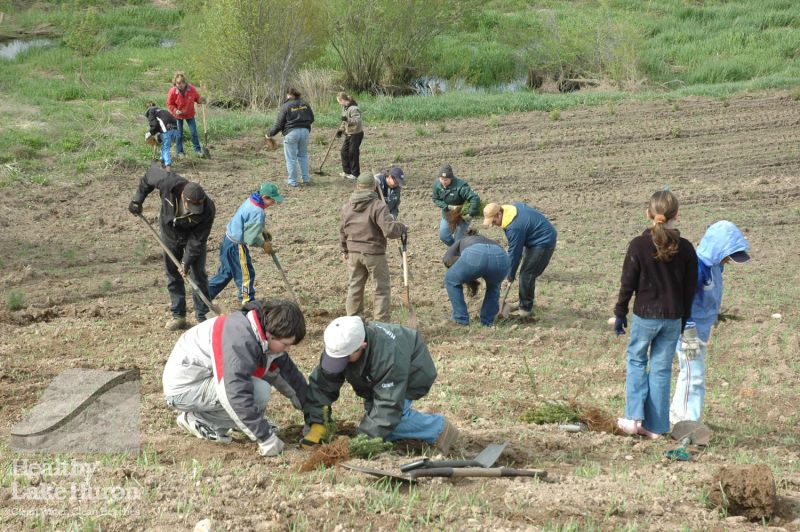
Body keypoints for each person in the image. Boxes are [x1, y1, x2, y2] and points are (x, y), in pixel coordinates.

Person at [162, 299, 308, 457]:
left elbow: (289, 377)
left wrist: (313, 413)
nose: (287, 349)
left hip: (206, 378)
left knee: (255, 389)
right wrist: (265, 437)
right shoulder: (240, 341)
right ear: (270, 334)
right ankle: (200, 420)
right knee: (259, 391)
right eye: (285, 344)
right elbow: (233, 392)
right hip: (184, 388)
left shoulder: (261, 331)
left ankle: (236, 422)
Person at [300, 316, 459, 452]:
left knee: (388, 426)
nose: (339, 363)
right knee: (377, 421)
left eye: (344, 359)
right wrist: (317, 424)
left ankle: (438, 428)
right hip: (375, 379)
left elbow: (387, 407)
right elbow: (321, 386)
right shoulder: (339, 344)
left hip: (412, 372)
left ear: (362, 346)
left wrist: (359, 442)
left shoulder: (387, 357)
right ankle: (410, 417)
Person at [613, 190, 697, 439]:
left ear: (648, 214)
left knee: (637, 361)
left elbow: (627, 283)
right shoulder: (687, 248)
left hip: (645, 316)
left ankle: (633, 419)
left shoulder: (638, 245)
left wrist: (620, 312)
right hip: (673, 319)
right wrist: (684, 320)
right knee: (661, 369)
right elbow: (689, 290)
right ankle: (655, 427)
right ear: (677, 215)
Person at [670, 221, 750, 423]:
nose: (729, 261)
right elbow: (681, 299)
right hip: (688, 332)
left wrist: (713, 315)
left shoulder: (716, 266)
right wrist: (688, 327)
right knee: (693, 374)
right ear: (717, 248)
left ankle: (678, 414)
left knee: (690, 373)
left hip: (701, 331)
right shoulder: (697, 268)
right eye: (728, 256)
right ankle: (688, 421)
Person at [129, 162, 216, 330]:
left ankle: (203, 317)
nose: (195, 210)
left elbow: (197, 241)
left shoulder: (208, 209)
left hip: (192, 237)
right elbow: (148, 176)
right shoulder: (169, 183)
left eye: (198, 207)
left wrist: (186, 262)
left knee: (198, 275)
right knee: (172, 274)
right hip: (170, 233)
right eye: (192, 206)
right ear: (183, 197)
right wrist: (137, 200)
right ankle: (179, 315)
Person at [341, 173, 407, 321]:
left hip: (353, 253)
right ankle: (381, 324)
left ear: (358, 186)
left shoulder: (347, 207)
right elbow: (389, 231)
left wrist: (344, 250)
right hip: (374, 253)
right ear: (374, 187)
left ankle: (354, 322)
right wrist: (402, 228)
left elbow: (342, 230)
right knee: (381, 289)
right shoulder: (378, 206)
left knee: (354, 287)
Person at [208, 183, 284, 305]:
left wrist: (262, 229)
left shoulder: (251, 200)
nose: (274, 203)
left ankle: (204, 295)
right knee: (246, 276)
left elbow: (247, 221)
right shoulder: (258, 211)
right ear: (264, 197)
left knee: (225, 273)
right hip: (236, 246)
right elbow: (251, 239)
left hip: (227, 240)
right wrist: (263, 244)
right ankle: (248, 304)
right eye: (272, 200)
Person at [483, 202, 557, 318]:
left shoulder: (514, 227)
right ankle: (524, 302)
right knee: (526, 272)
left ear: (499, 214)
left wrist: (510, 275)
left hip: (544, 241)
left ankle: (526, 309)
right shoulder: (511, 210)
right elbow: (523, 205)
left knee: (527, 274)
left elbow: (514, 253)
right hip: (533, 238)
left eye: (493, 221)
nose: (493, 225)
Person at [443, 228, 510, 327]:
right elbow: (488, 257)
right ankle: (487, 321)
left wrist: (460, 269)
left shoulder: (461, 240)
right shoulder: (487, 240)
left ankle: (460, 318)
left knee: (451, 280)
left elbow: (447, 259)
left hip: (476, 255)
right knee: (494, 286)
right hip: (501, 256)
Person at [267, 88, 314, 187]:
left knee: (291, 158)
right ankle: (306, 179)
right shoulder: (305, 104)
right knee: (303, 156)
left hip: (291, 133)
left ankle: (292, 181)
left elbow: (279, 124)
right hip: (305, 131)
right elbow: (312, 118)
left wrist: (270, 133)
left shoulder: (285, 106)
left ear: (289, 95)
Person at [431, 164, 480, 246]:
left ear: (451, 178)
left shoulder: (461, 186)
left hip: (462, 215)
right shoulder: (437, 185)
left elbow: (475, 198)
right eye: (441, 179)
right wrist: (447, 206)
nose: (443, 182)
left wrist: (470, 214)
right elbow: (435, 199)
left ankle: (459, 249)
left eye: (446, 180)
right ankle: (456, 248)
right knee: (444, 236)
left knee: (458, 239)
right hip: (448, 214)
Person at [166, 71, 203, 157]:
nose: (180, 85)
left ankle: (198, 150)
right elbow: (169, 104)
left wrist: (201, 100)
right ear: (175, 83)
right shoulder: (173, 91)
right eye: (178, 83)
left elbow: (197, 98)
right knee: (179, 134)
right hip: (178, 115)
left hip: (190, 114)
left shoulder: (191, 89)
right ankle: (180, 152)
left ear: (185, 82)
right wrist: (175, 110)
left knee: (193, 132)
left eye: (181, 83)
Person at [336, 92, 363, 180]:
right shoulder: (345, 108)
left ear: (342, 100)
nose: (339, 104)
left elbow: (357, 120)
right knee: (343, 152)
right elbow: (344, 122)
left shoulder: (354, 108)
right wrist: (340, 130)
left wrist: (347, 119)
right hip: (348, 134)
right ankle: (347, 172)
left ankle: (355, 174)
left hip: (356, 134)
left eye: (339, 102)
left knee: (352, 153)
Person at [144, 101, 178, 173]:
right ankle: (162, 160)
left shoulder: (151, 111)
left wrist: (149, 133)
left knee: (166, 148)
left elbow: (155, 125)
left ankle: (168, 167)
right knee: (165, 145)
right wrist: (158, 134)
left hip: (167, 130)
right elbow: (160, 123)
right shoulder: (161, 110)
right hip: (175, 128)